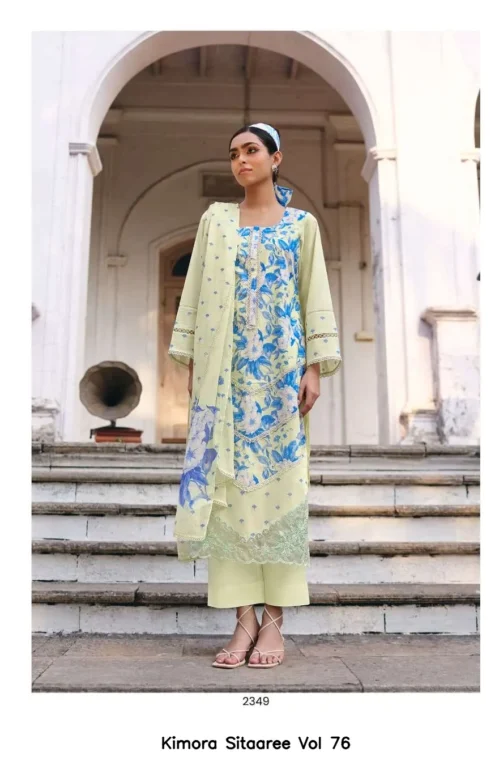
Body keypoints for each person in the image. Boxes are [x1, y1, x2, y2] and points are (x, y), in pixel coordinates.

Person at [168, 122, 341, 669]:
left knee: (282, 494)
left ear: (275, 158)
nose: (241, 160)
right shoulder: (215, 222)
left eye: (251, 151)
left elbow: (313, 293)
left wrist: (314, 368)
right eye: (234, 154)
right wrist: (194, 364)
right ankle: (244, 620)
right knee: (229, 497)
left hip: (282, 379)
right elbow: (195, 289)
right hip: (225, 378)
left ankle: (275, 622)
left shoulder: (302, 225)